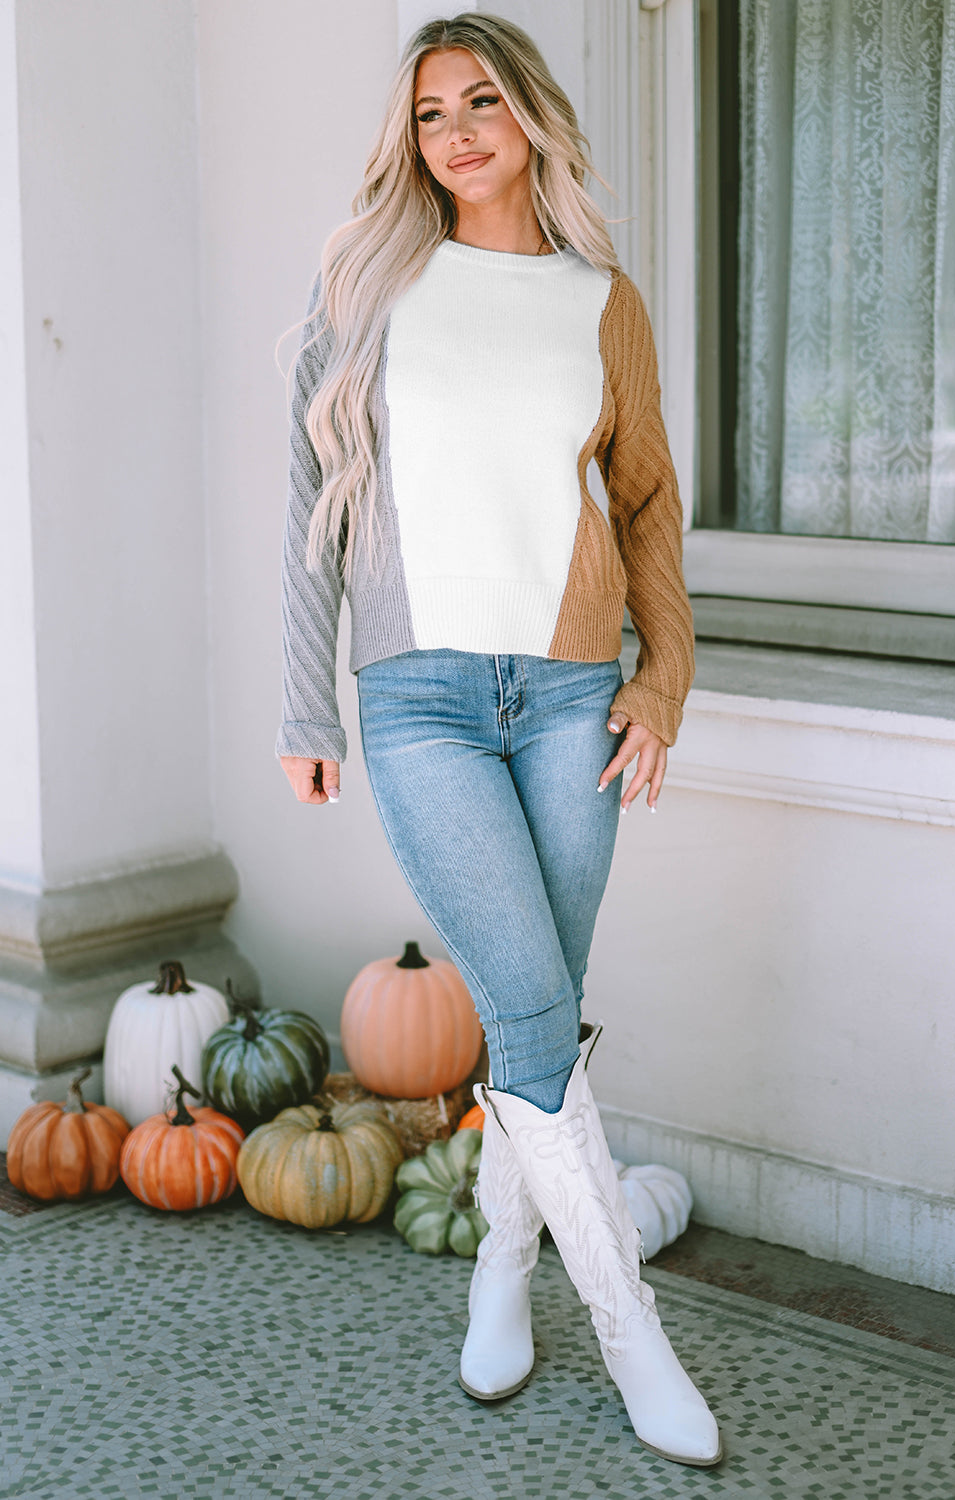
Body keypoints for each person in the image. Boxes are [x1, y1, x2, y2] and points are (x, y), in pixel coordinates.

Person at [276, 13, 722, 1470]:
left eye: (480, 101)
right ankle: (632, 1333)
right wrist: (305, 703)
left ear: (528, 114)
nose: (455, 130)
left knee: (540, 1016)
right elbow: (310, 498)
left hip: (572, 699)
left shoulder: (602, 299)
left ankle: (499, 1267)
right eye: (427, 114)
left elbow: (645, 501)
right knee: (532, 1014)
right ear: (407, 140)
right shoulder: (367, 283)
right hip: (419, 703)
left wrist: (660, 686)